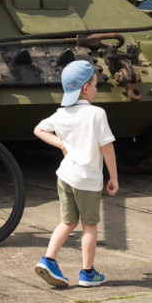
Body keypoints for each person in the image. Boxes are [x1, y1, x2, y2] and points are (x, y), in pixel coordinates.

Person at [34, 60, 119, 288]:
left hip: (65, 176)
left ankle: (48, 260)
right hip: (87, 181)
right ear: (85, 88)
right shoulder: (96, 114)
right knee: (89, 226)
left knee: (67, 221)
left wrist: (60, 142)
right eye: (95, 84)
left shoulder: (61, 114)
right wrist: (114, 177)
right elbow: (107, 147)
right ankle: (87, 273)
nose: (96, 88)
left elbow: (39, 129)